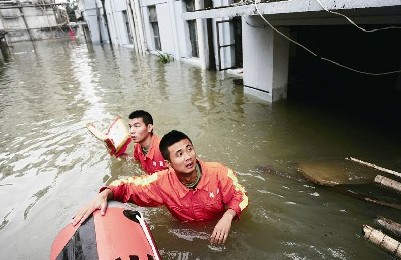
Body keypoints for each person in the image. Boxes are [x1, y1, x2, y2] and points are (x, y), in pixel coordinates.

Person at [73, 130, 248, 245]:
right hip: (188, 235)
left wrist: (228, 216)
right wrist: (104, 195)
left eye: (189, 149)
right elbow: (128, 186)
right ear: (168, 163)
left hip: (223, 229)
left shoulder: (219, 172)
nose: (188, 157)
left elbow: (240, 195)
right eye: (179, 154)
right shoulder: (161, 182)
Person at [118, 110, 167, 174]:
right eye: (130, 126)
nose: (131, 131)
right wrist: (123, 155)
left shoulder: (163, 150)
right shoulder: (137, 146)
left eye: (137, 126)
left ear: (149, 128)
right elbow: (138, 162)